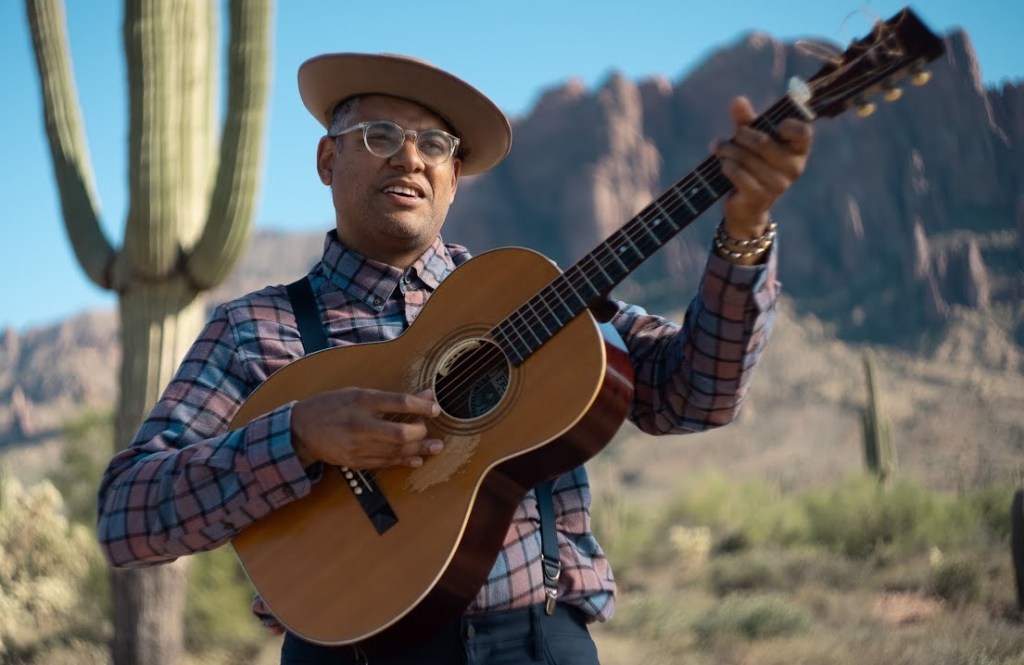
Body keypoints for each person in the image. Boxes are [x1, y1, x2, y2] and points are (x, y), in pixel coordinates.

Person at [97, 52, 813, 664]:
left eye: (435, 144)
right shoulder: (255, 328)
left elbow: (698, 394)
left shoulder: (530, 292)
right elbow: (127, 517)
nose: (410, 157)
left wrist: (744, 229)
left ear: (454, 172)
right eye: (380, 136)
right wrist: (297, 436)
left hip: (540, 644)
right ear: (327, 157)